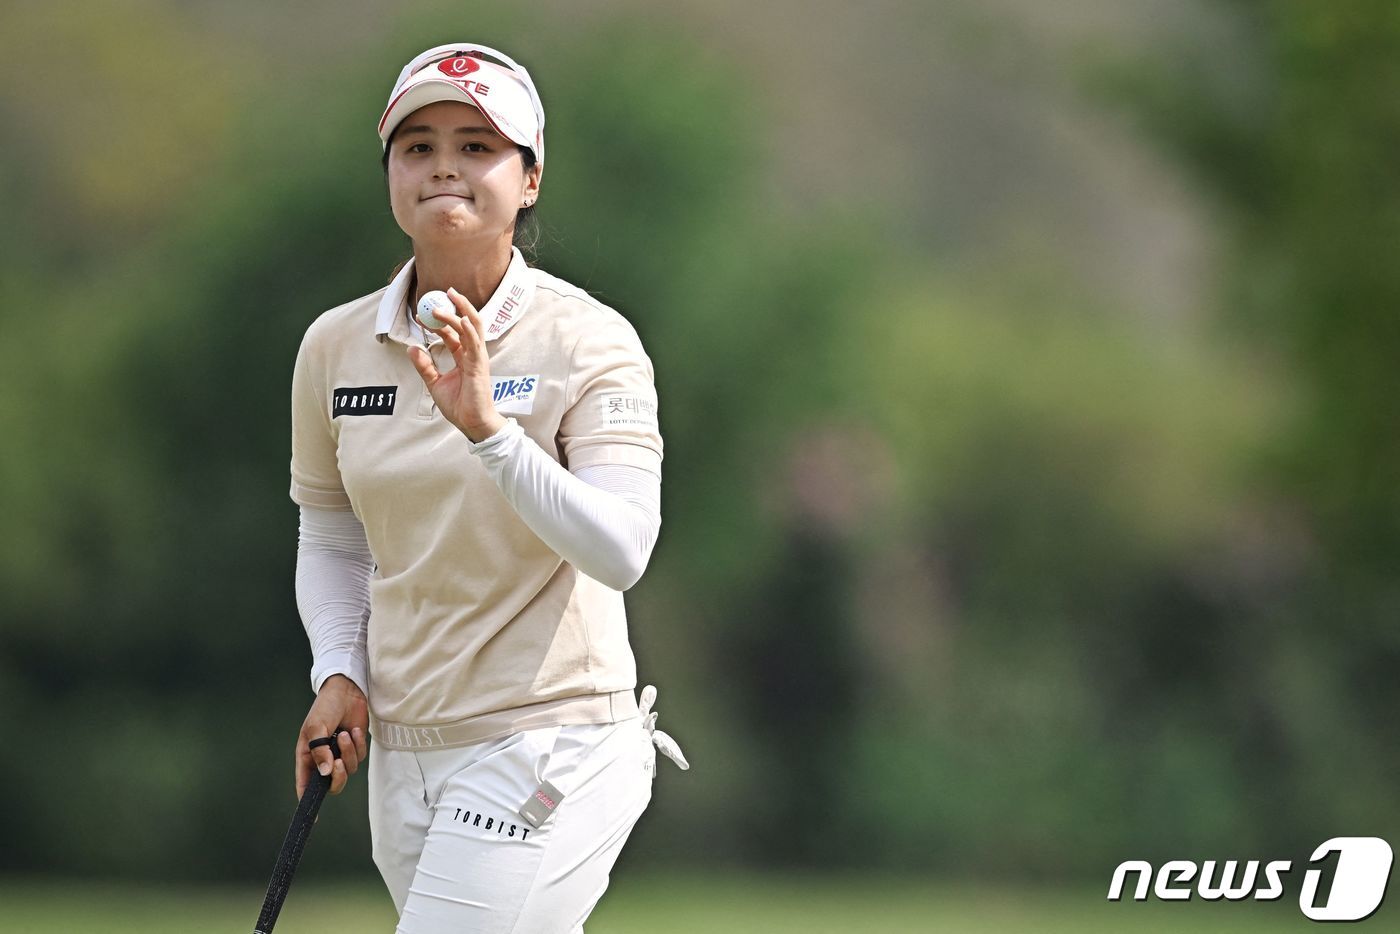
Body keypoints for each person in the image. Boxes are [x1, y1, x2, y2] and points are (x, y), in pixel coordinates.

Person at [286, 42, 688, 933]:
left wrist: (490, 435)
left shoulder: (590, 340)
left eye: (477, 146)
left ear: (530, 177)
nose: (444, 169)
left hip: (554, 744)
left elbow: (621, 550)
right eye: (417, 146)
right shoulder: (333, 347)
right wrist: (339, 670)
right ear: (390, 171)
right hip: (406, 749)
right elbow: (333, 533)